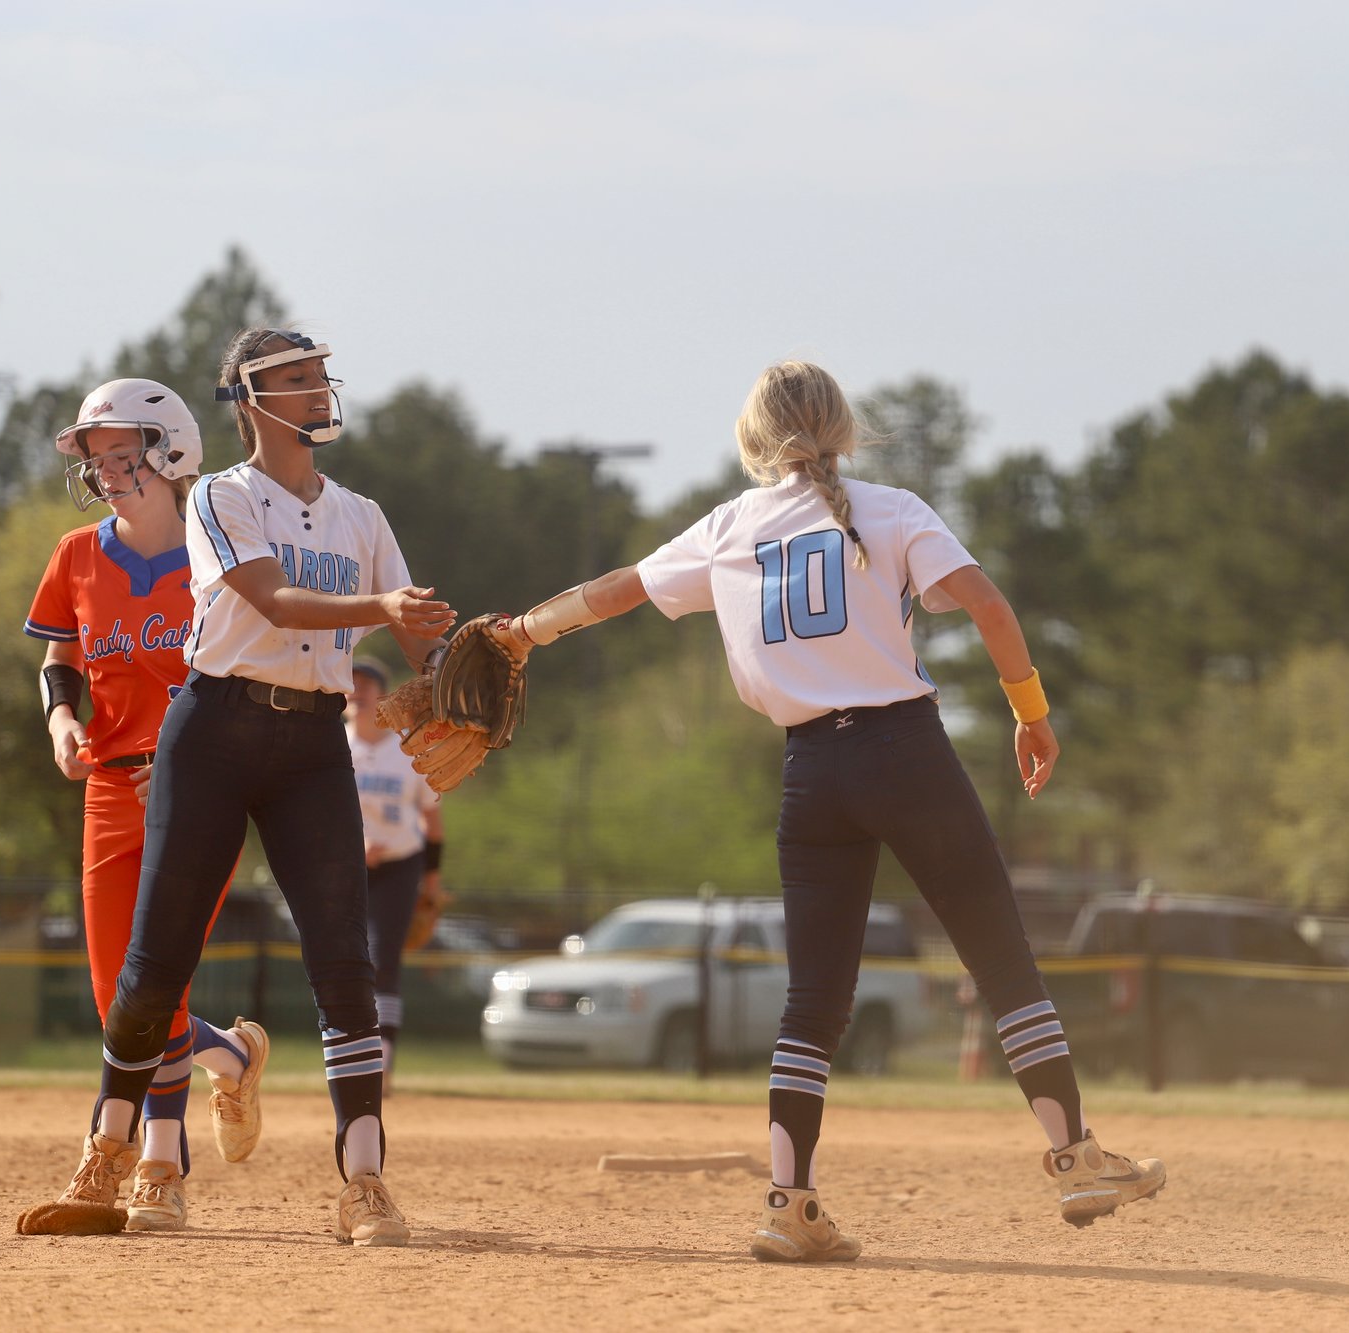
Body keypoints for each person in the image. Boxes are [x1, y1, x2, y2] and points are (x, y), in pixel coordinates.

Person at [497, 360, 1165, 1262]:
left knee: (812, 999)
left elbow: (618, 588)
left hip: (812, 769)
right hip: (905, 753)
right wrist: (1032, 713)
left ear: (754, 439)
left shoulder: (730, 526)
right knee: (1001, 960)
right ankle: (1075, 1157)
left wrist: (520, 632)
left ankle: (789, 1201)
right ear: (842, 428)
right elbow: (986, 604)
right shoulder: (889, 509)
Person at [18, 331, 455, 1246]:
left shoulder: (362, 516)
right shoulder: (220, 496)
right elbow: (273, 598)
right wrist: (383, 610)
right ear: (250, 400)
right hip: (213, 733)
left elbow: (418, 636)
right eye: (294, 381)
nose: (316, 392)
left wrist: (467, 664)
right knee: (153, 963)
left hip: (310, 744)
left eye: (317, 378)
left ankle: (365, 1183)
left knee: (346, 965)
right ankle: (109, 1156)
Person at [22, 379, 267, 1232]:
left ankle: (156, 1166)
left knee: (156, 980)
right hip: (106, 786)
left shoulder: (221, 549)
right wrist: (60, 717)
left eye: (122, 452)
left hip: (197, 784)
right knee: (111, 991)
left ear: (171, 448)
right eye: (96, 458)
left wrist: (186, 760)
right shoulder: (77, 554)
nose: (106, 470)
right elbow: (60, 655)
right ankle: (232, 1054)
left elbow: (244, 672)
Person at [345, 658, 445, 1081]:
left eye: (366, 685)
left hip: (401, 864)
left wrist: (432, 880)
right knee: (347, 958)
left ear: (384, 697)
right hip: (345, 865)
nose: (357, 691)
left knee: (384, 956)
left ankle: (382, 1055)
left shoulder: (408, 751)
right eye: (350, 684)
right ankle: (350, 1048)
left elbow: (432, 823)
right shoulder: (332, 746)